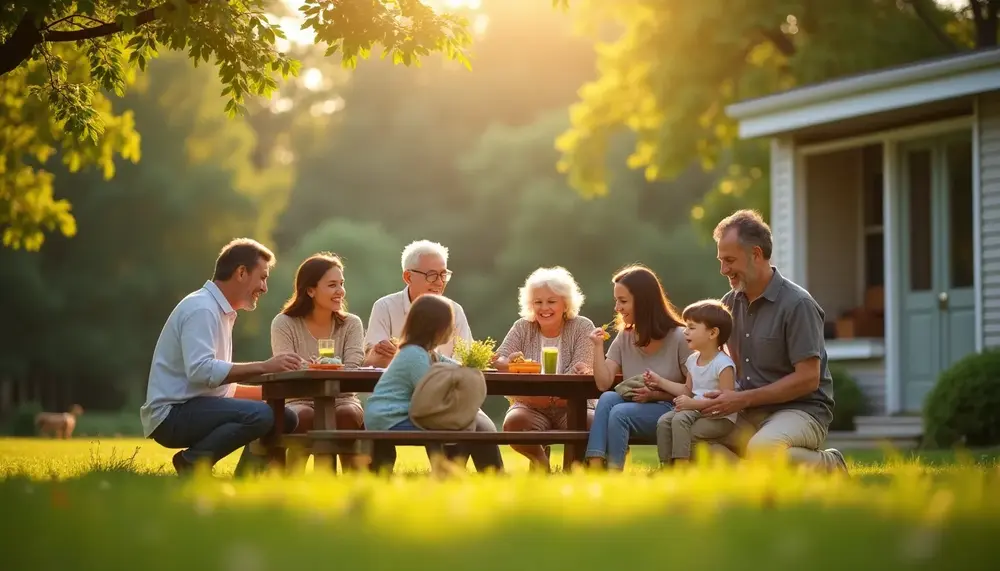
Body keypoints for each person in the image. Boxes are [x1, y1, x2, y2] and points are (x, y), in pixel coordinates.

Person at [691, 209, 848, 473]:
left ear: (756, 254)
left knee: (762, 449)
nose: (723, 270)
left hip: (801, 411)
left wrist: (744, 399)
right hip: (748, 414)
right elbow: (711, 358)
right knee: (692, 438)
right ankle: (754, 473)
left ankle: (830, 464)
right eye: (721, 260)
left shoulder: (798, 304)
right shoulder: (729, 304)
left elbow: (808, 379)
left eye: (729, 260)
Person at [140, 238, 303, 476]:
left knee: (284, 416)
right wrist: (265, 367)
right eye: (263, 277)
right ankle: (193, 462)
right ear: (241, 272)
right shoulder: (202, 309)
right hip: (171, 415)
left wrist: (280, 394)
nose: (264, 287)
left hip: (195, 407)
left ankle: (246, 477)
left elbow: (222, 390)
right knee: (263, 415)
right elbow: (201, 372)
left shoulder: (221, 312)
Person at [364, 294, 504, 474]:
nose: (452, 330)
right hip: (390, 417)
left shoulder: (428, 353)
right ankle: (467, 472)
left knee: (472, 422)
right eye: (450, 325)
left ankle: (483, 472)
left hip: (402, 414)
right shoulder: (414, 355)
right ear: (436, 328)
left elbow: (456, 367)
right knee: (466, 424)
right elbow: (429, 393)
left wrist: (471, 368)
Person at [584, 264, 694, 470]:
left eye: (623, 301)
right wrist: (597, 347)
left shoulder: (680, 337)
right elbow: (603, 383)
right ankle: (596, 464)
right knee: (608, 398)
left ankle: (614, 472)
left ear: (644, 302)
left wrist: (656, 395)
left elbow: (695, 391)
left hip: (671, 409)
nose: (617, 308)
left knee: (619, 412)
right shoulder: (625, 336)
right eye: (616, 300)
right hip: (636, 406)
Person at [492, 266, 596, 470]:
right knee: (514, 423)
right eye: (538, 302)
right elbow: (498, 359)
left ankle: (572, 468)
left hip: (573, 405)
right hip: (530, 406)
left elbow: (579, 372)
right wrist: (510, 362)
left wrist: (541, 396)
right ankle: (542, 463)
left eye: (551, 301)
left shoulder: (582, 327)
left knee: (593, 423)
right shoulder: (523, 326)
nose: (544, 308)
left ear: (565, 304)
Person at [270, 252, 366, 469]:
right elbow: (286, 364)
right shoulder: (284, 323)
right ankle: (293, 481)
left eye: (341, 284)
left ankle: (353, 481)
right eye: (332, 285)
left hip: (343, 398)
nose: (340, 291)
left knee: (347, 414)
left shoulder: (351, 324)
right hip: (298, 399)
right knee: (302, 416)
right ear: (310, 290)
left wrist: (316, 366)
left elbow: (354, 365)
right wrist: (326, 366)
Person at [653, 299, 737, 466]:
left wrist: (692, 404)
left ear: (712, 333)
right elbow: (687, 390)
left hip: (719, 417)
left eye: (691, 328)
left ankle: (682, 467)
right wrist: (659, 381)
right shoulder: (692, 360)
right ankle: (665, 465)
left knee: (680, 421)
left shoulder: (723, 364)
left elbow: (727, 402)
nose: (685, 332)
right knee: (664, 421)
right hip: (697, 410)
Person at [364, 239, 473, 368]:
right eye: (431, 275)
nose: (439, 282)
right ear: (408, 277)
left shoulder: (455, 311)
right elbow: (373, 360)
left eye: (443, 274)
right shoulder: (385, 307)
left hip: (442, 384)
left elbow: (464, 363)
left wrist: (400, 355)